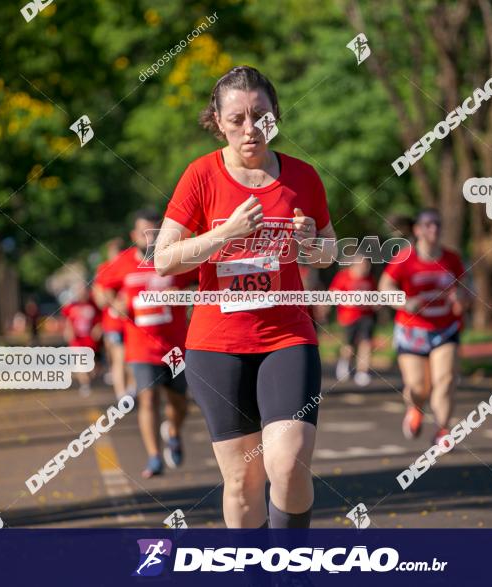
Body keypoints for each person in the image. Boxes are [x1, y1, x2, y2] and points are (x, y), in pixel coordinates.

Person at [153, 65, 337, 528]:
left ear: (276, 115)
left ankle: (289, 568)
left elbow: (328, 253)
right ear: (217, 120)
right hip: (217, 347)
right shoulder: (200, 176)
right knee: (242, 481)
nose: (250, 128)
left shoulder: (302, 178)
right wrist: (226, 234)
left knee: (289, 464)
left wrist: (311, 242)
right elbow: (164, 259)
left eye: (261, 115)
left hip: (287, 339)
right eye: (236, 119)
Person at [98, 210, 197, 478]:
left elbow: (206, 281)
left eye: (155, 231)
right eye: (144, 231)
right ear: (134, 236)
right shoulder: (122, 263)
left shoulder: (176, 258)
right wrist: (113, 303)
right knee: (148, 399)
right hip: (141, 349)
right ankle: (154, 457)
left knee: (180, 402)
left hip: (175, 348)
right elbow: (101, 287)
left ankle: (173, 432)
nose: (150, 237)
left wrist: (186, 294)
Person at [379, 208, 467, 446]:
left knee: (445, 380)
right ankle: (416, 408)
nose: (434, 229)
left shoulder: (452, 259)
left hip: (445, 329)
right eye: (428, 224)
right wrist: (406, 302)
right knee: (419, 388)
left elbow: (465, 289)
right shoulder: (405, 259)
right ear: (417, 230)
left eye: (437, 224)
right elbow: (384, 288)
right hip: (412, 332)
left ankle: (442, 429)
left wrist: (461, 298)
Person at [93, 237, 134, 400]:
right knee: (120, 357)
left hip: (133, 322)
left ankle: (131, 389)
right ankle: (121, 393)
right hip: (114, 323)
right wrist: (113, 299)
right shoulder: (104, 269)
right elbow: (100, 300)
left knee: (132, 358)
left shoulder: (131, 266)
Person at [329, 255, 377, 386]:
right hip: (348, 316)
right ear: (354, 265)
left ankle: (362, 371)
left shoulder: (369, 279)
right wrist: (348, 301)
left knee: (366, 343)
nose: (365, 268)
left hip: (366, 315)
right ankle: (344, 364)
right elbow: (333, 292)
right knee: (349, 345)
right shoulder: (343, 276)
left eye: (367, 265)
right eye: (362, 265)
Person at [61, 283, 102, 397]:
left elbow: (100, 319)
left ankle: (89, 379)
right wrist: (68, 331)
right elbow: (68, 320)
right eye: (79, 291)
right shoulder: (71, 306)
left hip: (91, 340)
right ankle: (85, 384)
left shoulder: (93, 305)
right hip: (77, 340)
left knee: (94, 367)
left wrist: (98, 328)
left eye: (84, 291)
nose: (81, 294)